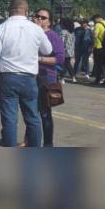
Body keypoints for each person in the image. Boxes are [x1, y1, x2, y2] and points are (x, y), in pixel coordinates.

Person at [0, 0, 52, 147]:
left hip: (7, 76)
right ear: (26, 11)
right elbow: (47, 50)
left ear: (10, 10)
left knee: (9, 118)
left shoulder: (1, 28)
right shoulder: (36, 28)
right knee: (33, 118)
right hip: (29, 78)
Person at [33, 8, 65, 147]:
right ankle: (30, 141)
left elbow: (60, 58)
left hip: (46, 77)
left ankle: (47, 144)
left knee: (45, 113)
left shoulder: (52, 36)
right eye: (37, 16)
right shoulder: (31, 33)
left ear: (49, 22)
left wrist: (39, 59)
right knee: (31, 112)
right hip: (30, 76)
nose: (39, 19)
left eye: (43, 17)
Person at [92, 14, 105, 85]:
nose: (94, 21)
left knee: (98, 64)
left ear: (98, 18)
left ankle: (98, 79)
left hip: (98, 46)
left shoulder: (98, 25)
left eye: (94, 19)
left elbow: (95, 36)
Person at [60, 18, 76, 83]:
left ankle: (62, 77)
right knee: (67, 64)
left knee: (64, 64)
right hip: (71, 50)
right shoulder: (72, 32)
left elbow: (62, 41)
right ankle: (73, 77)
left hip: (64, 49)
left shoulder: (63, 31)